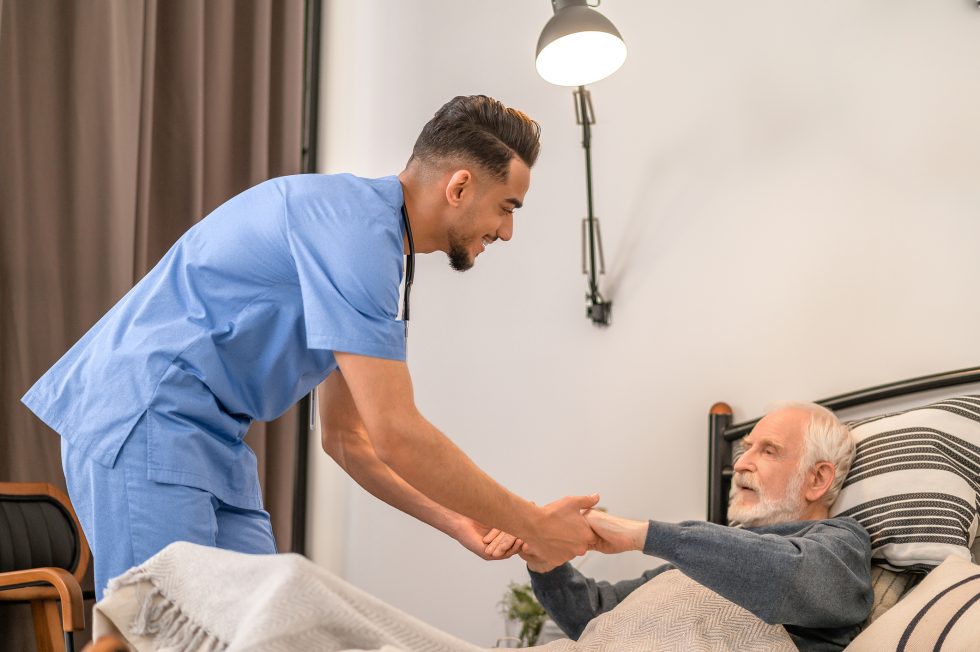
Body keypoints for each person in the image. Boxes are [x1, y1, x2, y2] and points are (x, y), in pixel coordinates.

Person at [21, 95, 596, 599]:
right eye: (507, 208)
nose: (507, 231)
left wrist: (462, 521)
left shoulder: (376, 248)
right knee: (167, 633)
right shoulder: (356, 234)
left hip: (212, 439)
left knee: (266, 627)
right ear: (460, 186)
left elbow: (350, 441)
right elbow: (397, 433)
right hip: (146, 415)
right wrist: (533, 523)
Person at [522, 403, 874, 652]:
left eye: (768, 451)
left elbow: (789, 579)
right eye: (745, 447)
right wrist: (544, 561)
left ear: (818, 479)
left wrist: (641, 535)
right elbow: (596, 614)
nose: (739, 465)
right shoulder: (696, 558)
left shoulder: (841, 543)